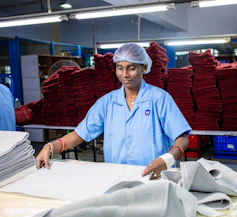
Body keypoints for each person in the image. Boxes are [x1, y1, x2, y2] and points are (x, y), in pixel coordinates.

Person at [36, 43, 191, 178]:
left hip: (153, 175)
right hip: (116, 175)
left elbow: (181, 137)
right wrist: (51, 146)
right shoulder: (107, 102)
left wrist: (167, 160)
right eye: (120, 68)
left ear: (143, 67)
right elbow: (80, 134)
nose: (125, 75)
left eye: (131, 68)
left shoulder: (159, 99)